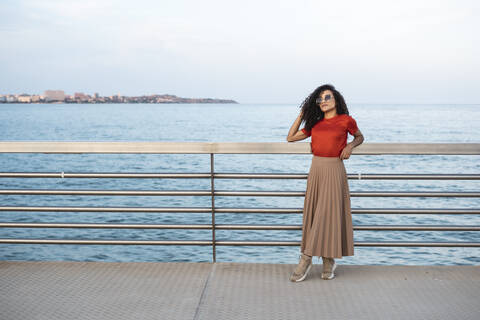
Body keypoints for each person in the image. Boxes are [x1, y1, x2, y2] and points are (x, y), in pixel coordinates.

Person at [286, 84, 364, 282]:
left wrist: (350, 146)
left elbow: (360, 136)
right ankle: (328, 261)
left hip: (335, 169)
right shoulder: (315, 124)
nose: (323, 102)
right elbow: (290, 137)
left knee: (326, 214)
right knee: (316, 214)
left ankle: (306, 259)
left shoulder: (346, 120)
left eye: (327, 97)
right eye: (320, 99)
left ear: (336, 100)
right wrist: (303, 114)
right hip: (317, 170)